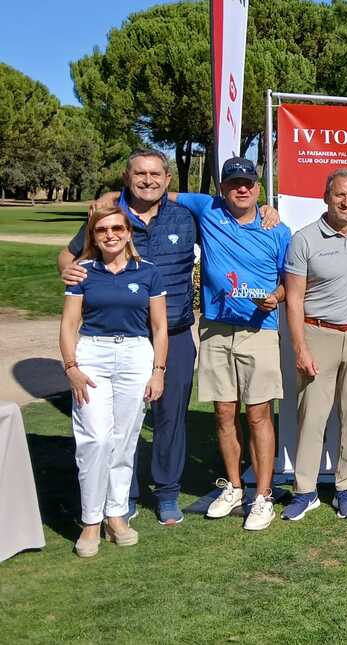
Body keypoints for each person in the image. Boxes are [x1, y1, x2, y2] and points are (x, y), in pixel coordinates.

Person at [58, 149, 197, 527]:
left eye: (155, 174)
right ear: (127, 177)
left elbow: (233, 212)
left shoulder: (186, 217)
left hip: (176, 333)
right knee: (122, 422)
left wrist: (268, 212)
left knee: (169, 417)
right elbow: (68, 256)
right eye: (140, 174)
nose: (148, 180)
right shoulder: (110, 217)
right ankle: (124, 498)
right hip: (122, 338)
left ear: (168, 179)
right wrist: (68, 274)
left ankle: (167, 493)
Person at [171, 157, 291, 531]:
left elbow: (291, 282)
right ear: (222, 188)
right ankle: (235, 487)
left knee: (258, 414)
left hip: (260, 329)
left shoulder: (278, 229)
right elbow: (160, 192)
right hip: (215, 329)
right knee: (224, 412)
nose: (242, 188)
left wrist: (277, 297)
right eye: (234, 183)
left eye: (248, 183)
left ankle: (264, 496)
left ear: (258, 188)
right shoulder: (207, 209)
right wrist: (112, 198)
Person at [60, 206, 168, 557]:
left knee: (124, 441)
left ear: (128, 232)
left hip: (137, 356)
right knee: (95, 439)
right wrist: (71, 367)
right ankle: (90, 522)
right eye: (102, 230)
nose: (111, 235)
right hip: (92, 355)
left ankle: (116, 515)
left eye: (117, 228)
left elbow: (159, 327)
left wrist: (158, 370)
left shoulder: (149, 273)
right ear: (93, 236)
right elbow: (68, 325)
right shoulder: (82, 273)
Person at [282, 169, 347, 521]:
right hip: (318, 335)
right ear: (326, 197)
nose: (346, 202)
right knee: (312, 416)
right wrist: (300, 348)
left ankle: (345, 488)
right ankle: (305, 491)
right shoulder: (305, 238)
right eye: (339, 195)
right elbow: (293, 298)